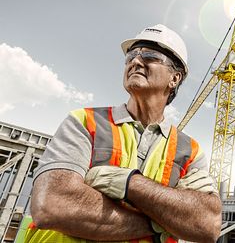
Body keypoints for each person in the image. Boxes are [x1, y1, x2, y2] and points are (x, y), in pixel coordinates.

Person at [22, 24, 222, 243]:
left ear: (174, 78)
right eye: (131, 57)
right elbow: (52, 205)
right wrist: (162, 222)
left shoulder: (189, 151)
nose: (135, 61)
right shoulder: (84, 122)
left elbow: (207, 226)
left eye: (149, 55)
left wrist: (129, 184)